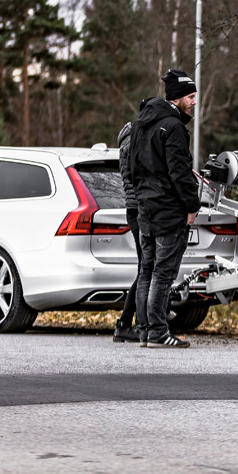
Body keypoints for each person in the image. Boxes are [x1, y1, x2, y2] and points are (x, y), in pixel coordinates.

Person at [130, 69, 201, 348]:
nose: (194, 102)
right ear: (178, 97)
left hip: (145, 208)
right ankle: (158, 331)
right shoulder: (173, 128)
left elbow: (133, 167)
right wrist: (192, 206)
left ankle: (145, 331)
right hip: (169, 210)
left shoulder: (141, 124)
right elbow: (180, 173)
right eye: (191, 97)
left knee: (147, 269)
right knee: (163, 272)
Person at [112, 116, 142, 343]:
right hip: (138, 210)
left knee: (146, 269)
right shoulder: (133, 143)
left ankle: (129, 321)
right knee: (146, 269)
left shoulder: (129, 140)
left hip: (135, 210)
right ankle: (127, 322)